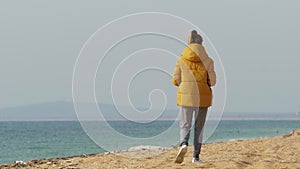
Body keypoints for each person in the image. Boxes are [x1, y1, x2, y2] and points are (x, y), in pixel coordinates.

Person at [172, 30, 216, 163]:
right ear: (202, 44)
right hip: (203, 98)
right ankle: (195, 157)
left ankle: (183, 143)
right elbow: (213, 82)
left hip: (186, 96)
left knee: (185, 124)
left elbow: (175, 80)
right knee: (199, 127)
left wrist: (183, 84)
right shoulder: (208, 61)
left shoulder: (181, 59)